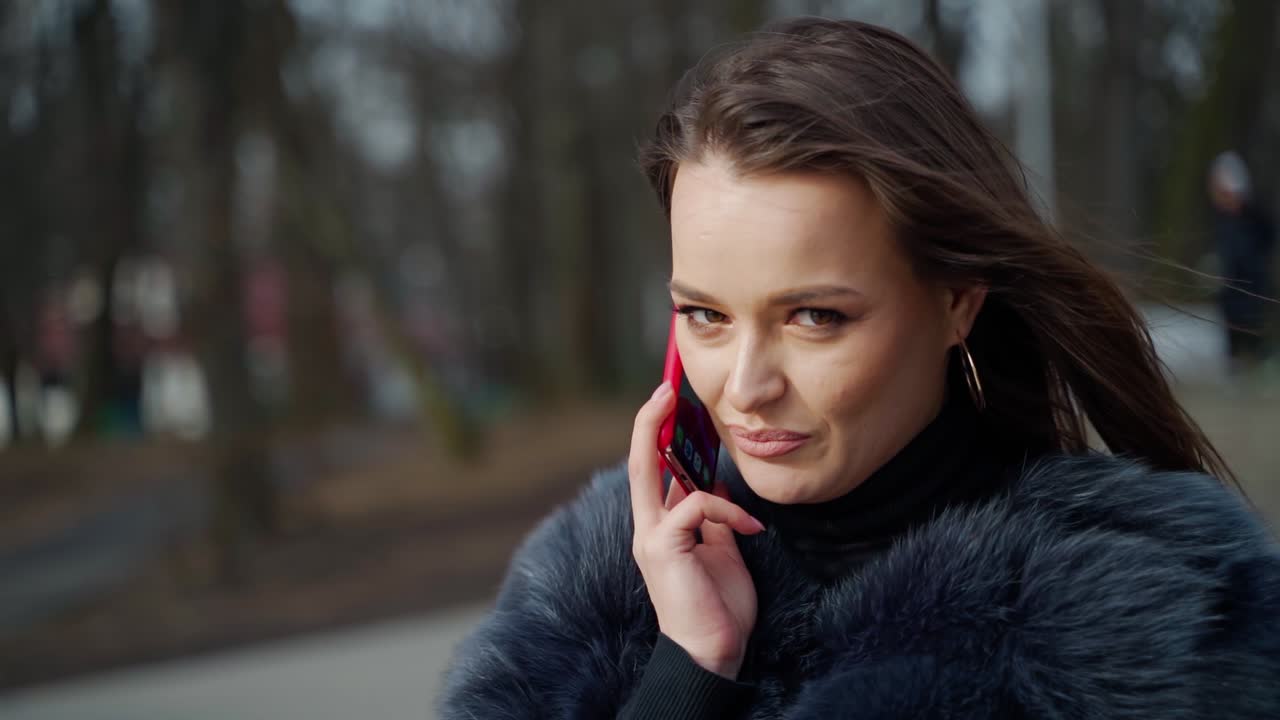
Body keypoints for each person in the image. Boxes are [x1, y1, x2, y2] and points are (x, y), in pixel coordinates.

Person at [439, 18, 1280, 718]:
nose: (744, 385)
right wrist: (687, 668)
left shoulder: (1154, 628)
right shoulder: (587, 599)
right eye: (705, 314)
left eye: (813, 317)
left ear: (958, 300)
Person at [1208, 150, 1276, 374]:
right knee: (1233, 330)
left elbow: (1267, 241)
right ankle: (1236, 363)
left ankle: (1257, 360)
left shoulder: (1254, 218)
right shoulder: (1222, 219)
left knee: (1251, 325)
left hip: (1250, 288)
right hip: (1230, 291)